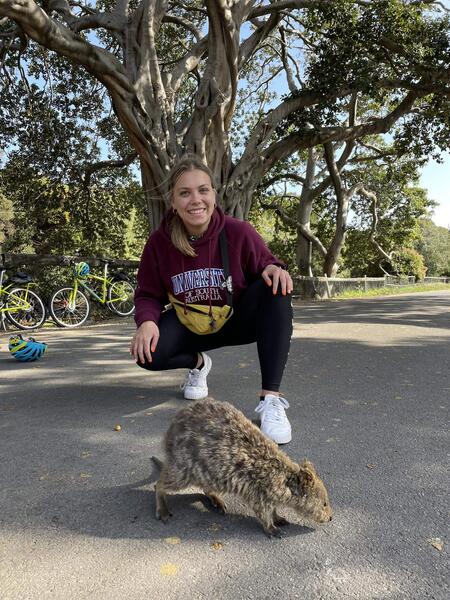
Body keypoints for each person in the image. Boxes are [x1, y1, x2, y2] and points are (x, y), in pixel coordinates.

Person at [130, 154, 294, 444]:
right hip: (190, 326)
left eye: (203, 190)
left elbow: (268, 263)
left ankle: (271, 399)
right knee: (147, 352)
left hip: (234, 320)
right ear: (173, 202)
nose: (196, 199)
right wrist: (146, 322)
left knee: (276, 288)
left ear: (213, 195)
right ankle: (197, 364)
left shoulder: (238, 232)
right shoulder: (159, 242)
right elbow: (147, 293)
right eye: (185, 192)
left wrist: (273, 268)